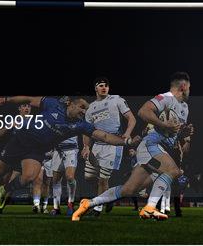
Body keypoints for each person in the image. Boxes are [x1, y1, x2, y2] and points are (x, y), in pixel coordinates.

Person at [0, 96, 140, 218]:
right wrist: (6, 100)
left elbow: (104, 136)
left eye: (86, 110)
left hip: (36, 150)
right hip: (20, 141)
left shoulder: (80, 125)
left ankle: (5, 190)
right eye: (82, 107)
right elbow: (28, 99)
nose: (84, 111)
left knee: (29, 177)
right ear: (70, 104)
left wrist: (125, 142)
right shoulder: (53, 104)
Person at [72, 72, 193, 221]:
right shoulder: (165, 98)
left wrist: (183, 134)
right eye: (189, 87)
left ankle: (89, 203)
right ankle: (150, 208)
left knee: (128, 189)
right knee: (172, 170)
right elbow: (143, 111)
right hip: (152, 144)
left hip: (161, 149)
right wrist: (163, 125)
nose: (189, 91)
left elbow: (174, 133)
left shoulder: (184, 108)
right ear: (183, 86)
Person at [82, 77, 136, 216]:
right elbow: (87, 131)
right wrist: (86, 146)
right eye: (101, 85)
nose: (104, 87)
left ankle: (97, 209)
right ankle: (108, 196)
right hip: (97, 146)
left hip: (113, 144)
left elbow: (131, 118)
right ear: (96, 88)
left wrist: (127, 134)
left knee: (103, 179)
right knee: (88, 177)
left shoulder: (116, 99)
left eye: (106, 85)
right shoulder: (90, 108)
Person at [0, 103, 31, 213]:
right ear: (19, 108)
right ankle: (0, 197)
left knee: (11, 183)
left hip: (23, 156)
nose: (27, 108)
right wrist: (10, 125)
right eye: (24, 106)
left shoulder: (34, 122)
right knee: (4, 181)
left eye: (29, 106)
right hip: (10, 155)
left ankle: (0, 207)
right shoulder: (12, 120)